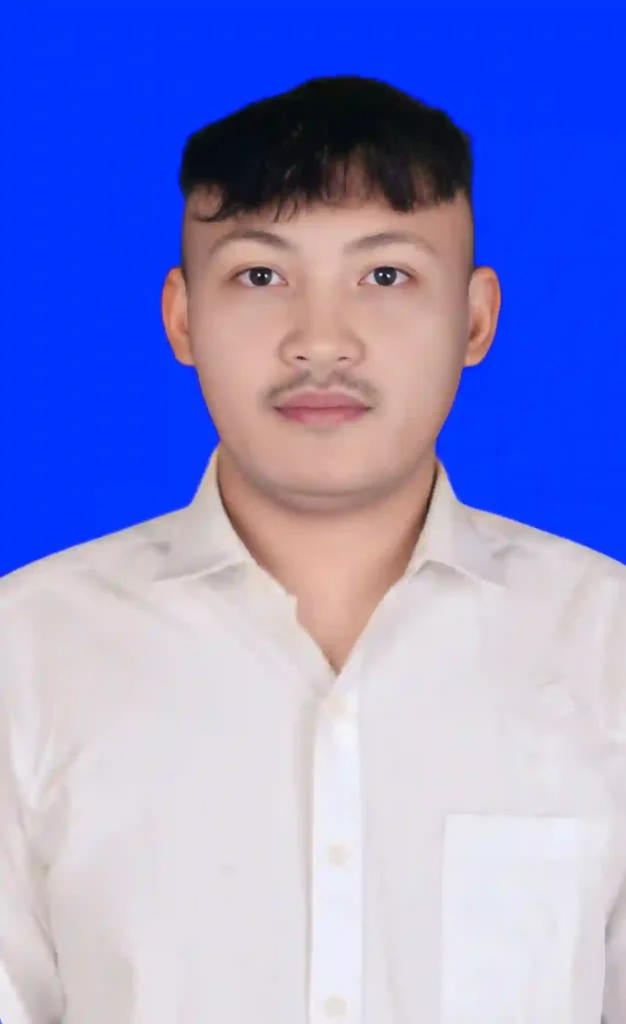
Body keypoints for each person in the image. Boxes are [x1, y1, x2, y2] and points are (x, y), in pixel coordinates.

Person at [0, 73, 624, 1024]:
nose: (320, 343)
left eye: (386, 277)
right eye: (261, 276)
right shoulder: (27, 654)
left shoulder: (605, 648)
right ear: (181, 317)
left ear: (475, 318)